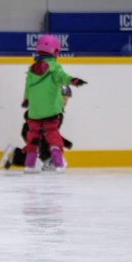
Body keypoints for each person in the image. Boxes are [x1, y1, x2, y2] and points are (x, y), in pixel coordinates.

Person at [20, 35, 87, 173]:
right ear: (55, 52)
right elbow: (62, 77)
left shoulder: (32, 69)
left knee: (32, 136)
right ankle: (58, 164)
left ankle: (29, 165)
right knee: (52, 135)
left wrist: (26, 100)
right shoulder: (54, 67)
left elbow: (27, 87)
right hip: (51, 111)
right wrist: (73, 81)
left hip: (34, 112)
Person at [0, 85, 74, 171]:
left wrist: (64, 142)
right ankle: (45, 160)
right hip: (32, 132)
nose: (65, 102)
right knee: (40, 155)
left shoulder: (58, 115)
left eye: (66, 99)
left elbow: (53, 133)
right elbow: (28, 114)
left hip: (40, 135)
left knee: (37, 162)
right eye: (62, 98)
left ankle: (16, 156)